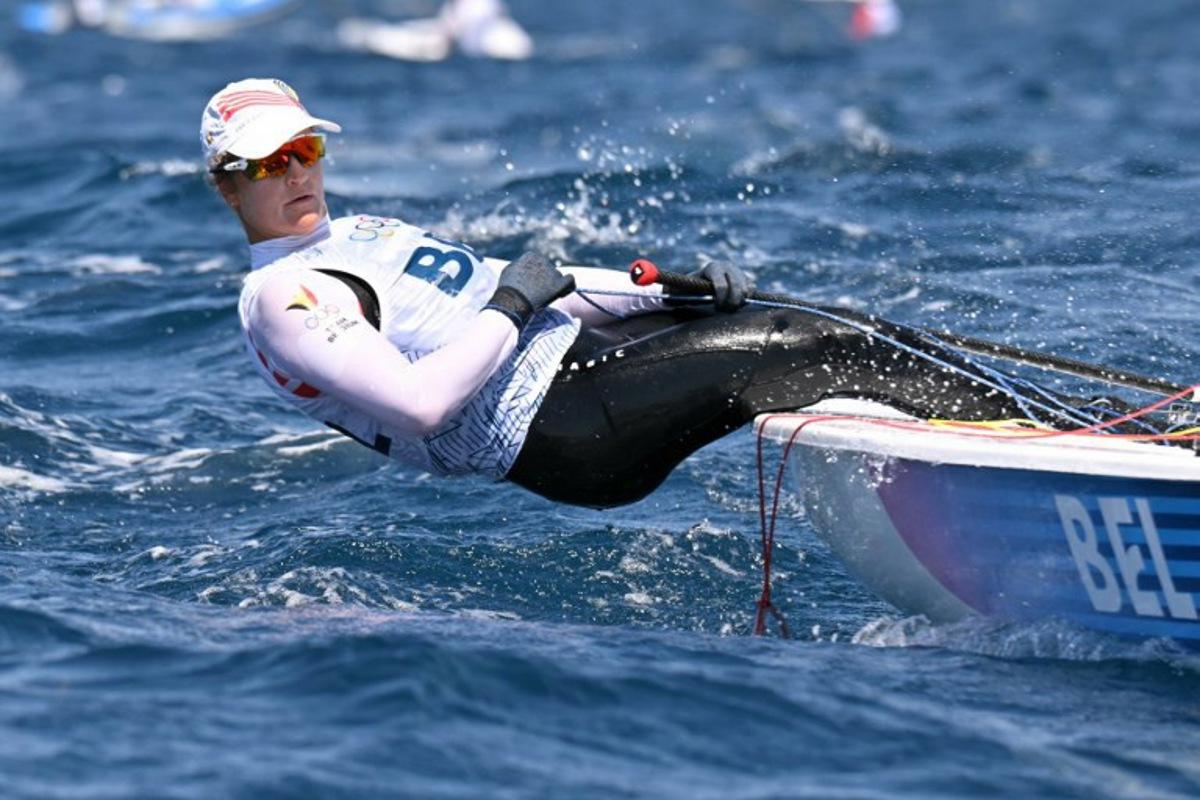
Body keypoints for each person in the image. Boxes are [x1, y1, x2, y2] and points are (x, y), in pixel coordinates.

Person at [204, 78, 1028, 508]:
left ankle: (1038, 423)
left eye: (306, 151)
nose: (297, 174)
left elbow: (545, 289)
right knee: (808, 346)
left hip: (587, 365)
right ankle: (1048, 439)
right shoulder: (283, 300)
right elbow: (420, 406)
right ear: (227, 185)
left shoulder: (362, 232)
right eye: (269, 164)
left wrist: (672, 296)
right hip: (559, 429)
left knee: (826, 323)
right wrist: (513, 305)